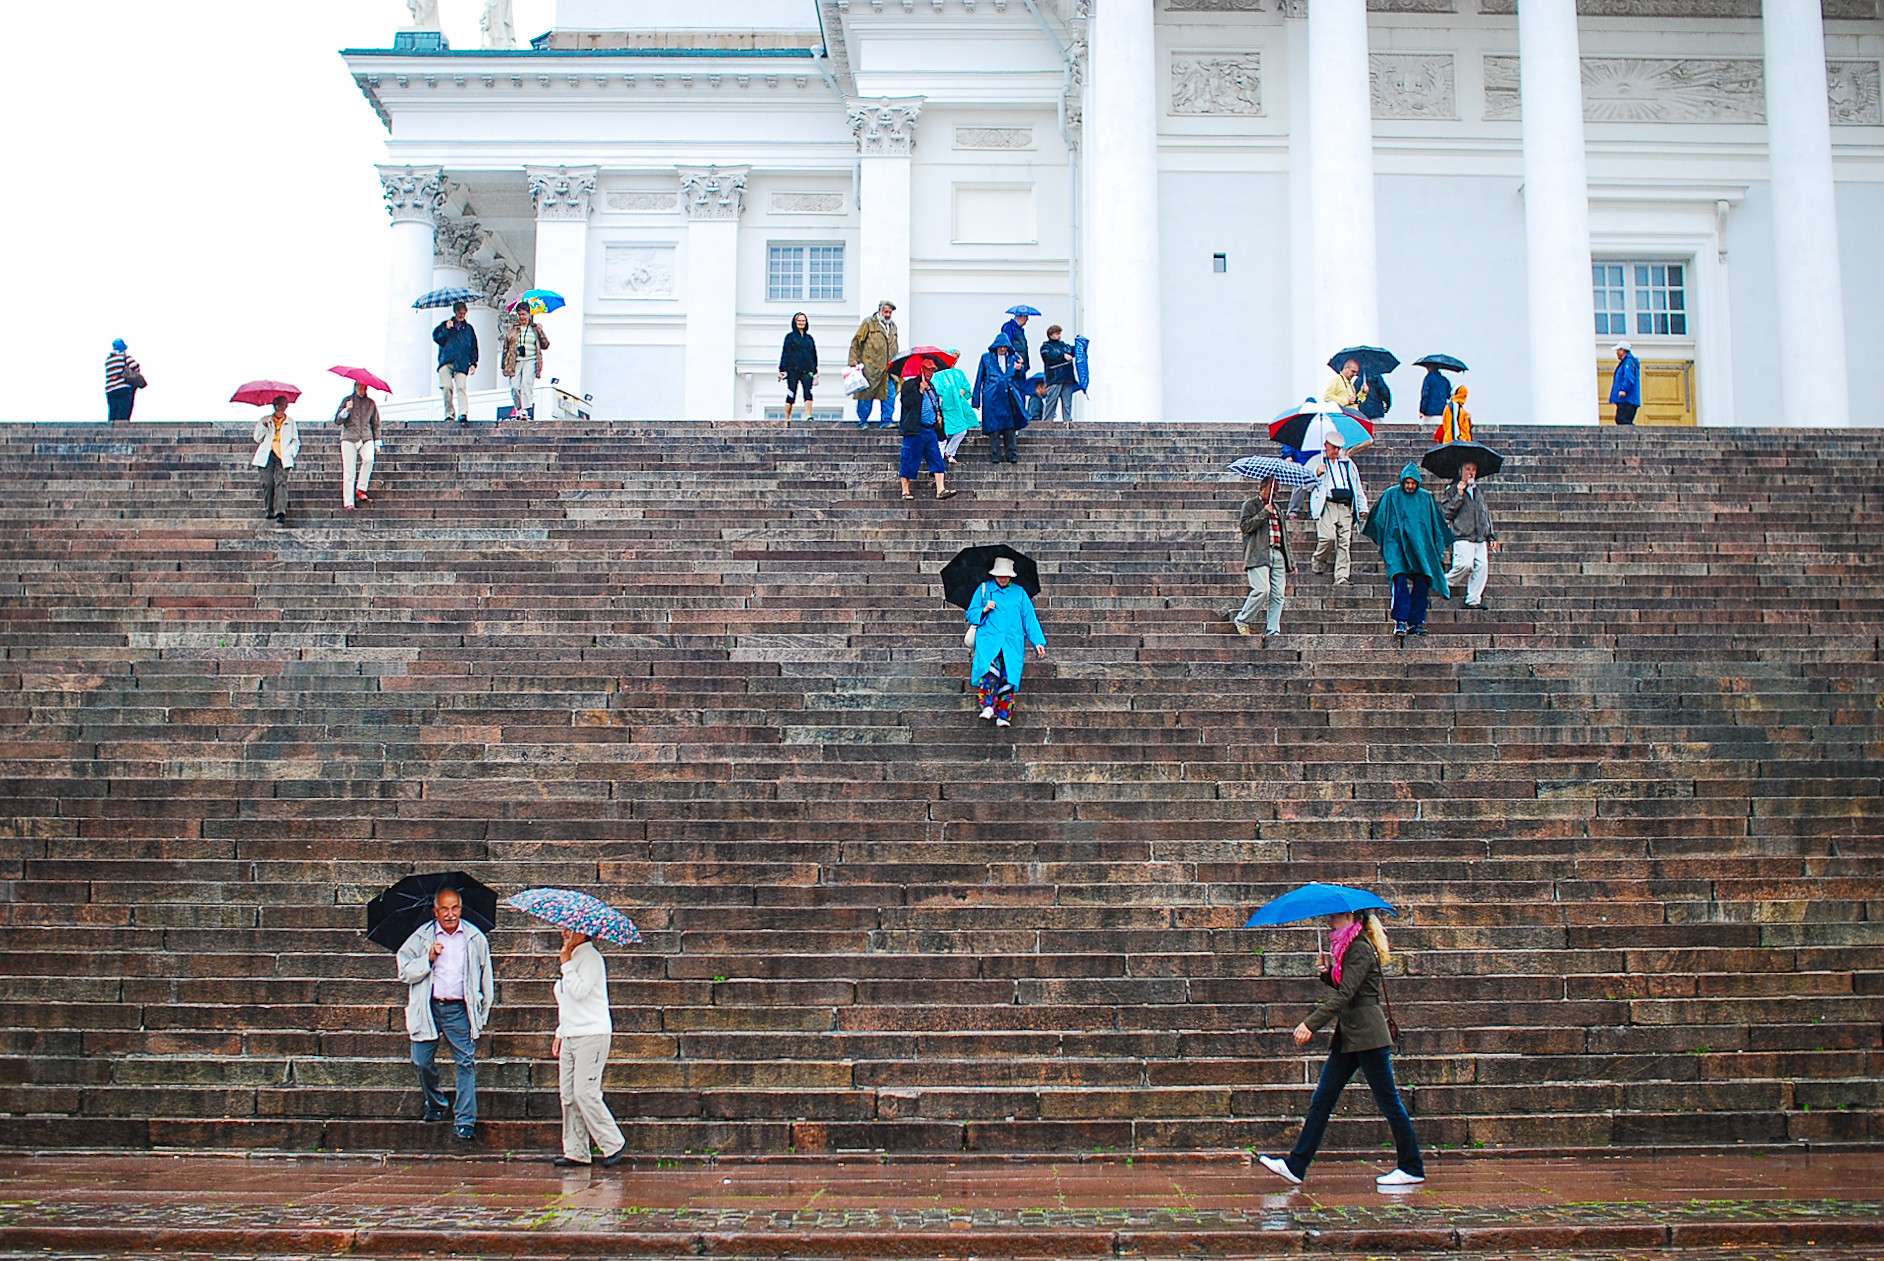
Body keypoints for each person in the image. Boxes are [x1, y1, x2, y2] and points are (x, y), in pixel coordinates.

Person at [1257, 909, 1425, 1190]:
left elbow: (1347, 994)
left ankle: (1411, 1167)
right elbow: (1347, 987)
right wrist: (1327, 973)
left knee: (1389, 1102)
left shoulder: (1359, 947)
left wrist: (1311, 1024)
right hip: (1350, 1036)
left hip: (1368, 1036)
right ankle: (1296, 1165)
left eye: (1334, 917)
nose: (1329, 921)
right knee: (1322, 1099)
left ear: (1351, 917)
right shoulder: (1348, 947)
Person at [396, 887, 494, 1142]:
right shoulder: (422, 936)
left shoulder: (474, 937)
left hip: (459, 1008)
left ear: (461, 909)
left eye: (455, 908)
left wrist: (482, 1013)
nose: (450, 914)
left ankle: (464, 1120)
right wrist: (427, 959)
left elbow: (486, 979)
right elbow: (404, 970)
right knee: (421, 1061)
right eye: (444, 909)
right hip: (428, 1007)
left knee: (465, 1063)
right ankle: (437, 1103)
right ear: (435, 911)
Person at [549, 926, 627, 1168]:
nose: (564, 934)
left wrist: (566, 964)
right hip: (571, 1034)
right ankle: (575, 1150)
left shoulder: (591, 958)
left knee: (585, 1092)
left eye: (570, 930)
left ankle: (613, 1142)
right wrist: (560, 1032)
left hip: (592, 1034)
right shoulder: (571, 959)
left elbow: (580, 991)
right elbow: (567, 1001)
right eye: (563, 929)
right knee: (568, 1096)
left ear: (583, 933)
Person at [1363, 462, 1455, 639]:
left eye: (1413, 483)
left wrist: (1433, 547)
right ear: (1402, 481)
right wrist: (1388, 539)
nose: (1410, 486)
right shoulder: (1391, 495)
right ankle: (1400, 620)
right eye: (1407, 482)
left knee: (1422, 583)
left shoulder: (1425, 498)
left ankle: (1416, 622)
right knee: (1399, 581)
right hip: (1396, 546)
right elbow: (1379, 518)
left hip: (1420, 547)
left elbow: (1435, 524)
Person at [965, 556, 1046, 729]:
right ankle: (987, 705)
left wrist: (1038, 641)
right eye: (999, 575)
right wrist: (984, 609)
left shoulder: (1019, 593)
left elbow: (1029, 618)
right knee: (989, 671)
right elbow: (970, 614)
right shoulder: (984, 589)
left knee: (1008, 677)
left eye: (1006, 575)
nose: (1002, 578)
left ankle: (1004, 714)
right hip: (989, 640)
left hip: (1012, 641)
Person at [1232, 476, 1291, 639]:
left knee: (1278, 594)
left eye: (1277, 490)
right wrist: (1264, 512)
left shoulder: (1277, 509)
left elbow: (1284, 535)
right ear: (1263, 488)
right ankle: (1242, 620)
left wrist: (1290, 561)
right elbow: (1245, 526)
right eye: (1273, 489)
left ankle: (1273, 630)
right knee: (1262, 590)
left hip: (1277, 553)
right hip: (1258, 553)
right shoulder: (1251, 505)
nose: (1275, 493)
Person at [1306, 437, 1368, 585]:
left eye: (1337, 448)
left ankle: (1341, 577)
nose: (1335, 451)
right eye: (1332, 448)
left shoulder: (1347, 463)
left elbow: (1357, 485)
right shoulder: (1317, 460)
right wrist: (1317, 473)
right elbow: (1304, 485)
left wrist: (1362, 506)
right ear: (1326, 445)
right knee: (1328, 537)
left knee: (1344, 542)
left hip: (1345, 505)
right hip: (1327, 504)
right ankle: (1318, 558)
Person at [897, 358, 957, 501]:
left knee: (937, 458)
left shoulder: (932, 387)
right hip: (915, 429)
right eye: (928, 369)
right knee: (909, 459)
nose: (931, 373)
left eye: (933, 370)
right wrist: (919, 391)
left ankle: (940, 489)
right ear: (921, 369)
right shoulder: (909, 385)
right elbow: (907, 403)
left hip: (930, 430)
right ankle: (905, 491)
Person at [1442, 460, 1497, 609]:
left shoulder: (1478, 491)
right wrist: (1459, 494)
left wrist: (1491, 535)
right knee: (1463, 565)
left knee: (1482, 566)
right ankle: (1443, 582)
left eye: (1473, 469)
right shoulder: (1452, 489)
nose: (1471, 472)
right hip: (1462, 534)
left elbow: (1485, 513)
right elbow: (1446, 512)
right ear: (1461, 471)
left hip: (1479, 536)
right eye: (1468, 469)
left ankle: (1473, 599)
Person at [973, 333, 1028, 464]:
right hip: (992, 396)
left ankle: (1011, 454)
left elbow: (1021, 376)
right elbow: (979, 377)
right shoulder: (986, 358)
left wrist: (1020, 369)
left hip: (1008, 396)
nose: (1003, 349)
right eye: (1001, 347)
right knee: (994, 427)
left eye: (1005, 347)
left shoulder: (1014, 358)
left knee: (1010, 426)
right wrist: (976, 400)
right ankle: (995, 455)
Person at [849, 300, 900, 428]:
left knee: (890, 394)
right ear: (880, 311)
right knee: (866, 395)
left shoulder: (892, 326)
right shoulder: (869, 323)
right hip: (870, 367)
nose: (888, 315)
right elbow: (856, 342)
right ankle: (863, 421)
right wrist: (853, 362)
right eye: (886, 312)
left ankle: (886, 420)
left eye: (890, 312)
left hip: (888, 368)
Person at [250, 395, 299, 527]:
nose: (280, 409)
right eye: (278, 406)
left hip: (283, 455)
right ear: (274, 406)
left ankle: (280, 512)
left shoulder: (290, 422)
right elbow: (257, 438)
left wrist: (291, 451)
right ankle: (269, 509)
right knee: (268, 483)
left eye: (282, 406)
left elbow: (295, 440)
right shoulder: (265, 420)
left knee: (281, 483)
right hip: (267, 454)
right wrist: (264, 427)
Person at [333, 380, 381, 510]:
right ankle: (349, 502)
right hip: (349, 437)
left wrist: (377, 442)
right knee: (349, 471)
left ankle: (361, 488)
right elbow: (337, 420)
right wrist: (347, 410)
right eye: (360, 386)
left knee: (369, 459)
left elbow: (375, 423)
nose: (362, 389)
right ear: (355, 387)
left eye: (364, 387)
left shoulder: (371, 403)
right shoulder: (347, 400)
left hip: (366, 436)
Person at [433, 301, 479, 425]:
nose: (462, 315)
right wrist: (446, 329)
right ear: (455, 312)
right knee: (446, 387)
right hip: (446, 361)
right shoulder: (445, 325)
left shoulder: (468, 329)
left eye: (464, 313)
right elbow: (437, 338)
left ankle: (463, 413)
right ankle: (449, 413)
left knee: (461, 387)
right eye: (460, 313)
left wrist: (473, 363)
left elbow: (474, 346)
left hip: (462, 362)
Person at [503, 306, 549, 422]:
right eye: (519, 315)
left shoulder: (534, 329)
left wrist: (541, 331)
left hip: (531, 359)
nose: (522, 317)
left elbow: (545, 345)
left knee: (526, 384)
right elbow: (506, 347)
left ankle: (525, 410)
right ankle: (518, 407)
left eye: (524, 314)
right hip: (516, 361)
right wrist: (504, 364)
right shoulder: (513, 329)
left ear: (529, 314)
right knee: (515, 386)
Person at [933, 349, 978, 463]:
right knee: (944, 432)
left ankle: (949, 452)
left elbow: (967, 389)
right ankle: (939, 457)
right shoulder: (939, 374)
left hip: (957, 408)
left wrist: (962, 392)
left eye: (956, 357)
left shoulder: (959, 373)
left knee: (962, 430)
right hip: (945, 408)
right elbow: (936, 389)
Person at [778, 312, 818, 422]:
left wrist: (815, 370)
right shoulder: (790, 337)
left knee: (808, 392)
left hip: (806, 370)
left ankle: (809, 415)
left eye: (803, 321)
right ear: (795, 322)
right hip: (792, 370)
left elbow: (813, 355)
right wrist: (782, 370)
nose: (801, 323)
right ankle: (787, 417)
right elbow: (785, 353)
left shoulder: (809, 338)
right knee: (791, 393)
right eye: (799, 321)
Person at [1038, 325, 1076, 422]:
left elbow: (1074, 350)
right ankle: (1047, 422)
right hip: (1055, 378)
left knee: (1067, 403)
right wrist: (1062, 356)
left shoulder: (1064, 346)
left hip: (1066, 378)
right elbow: (1048, 357)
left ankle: (1067, 421)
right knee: (1051, 402)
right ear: (1051, 335)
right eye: (1057, 333)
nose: (1059, 335)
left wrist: (1080, 344)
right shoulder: (1046, 347)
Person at [104, 339, 145, 422]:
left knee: (113, 412)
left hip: (110, 390)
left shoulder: (108, 360)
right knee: (123, 412)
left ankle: (111, 430)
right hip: (123, 389)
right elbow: (135, 366)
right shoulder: (125, 357)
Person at [1609, 340, 1641, 425]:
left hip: (1627, 399)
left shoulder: (1628, 362)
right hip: (1626, 399)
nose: (1617, 353)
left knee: (1623, 419)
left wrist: (1624, 389)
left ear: (1623, 350)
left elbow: (1629, 377)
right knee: (1621, 419)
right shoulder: (1627, 362)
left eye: (1618, 350)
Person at [1417, 365, 1452, 432]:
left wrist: (1422, 410)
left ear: (1428, 367)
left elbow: (1425, 395)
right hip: (1442, 411)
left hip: (1429, 412)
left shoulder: (1428, 378)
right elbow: (1448, 395)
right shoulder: (1445, 380)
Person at [1000, 310, 1031, 376]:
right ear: (1020, 316)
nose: (1027, 319)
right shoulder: (1009, 327)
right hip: (1013, 365)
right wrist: (1016, 356)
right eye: (1026, 316)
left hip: (1021, 365)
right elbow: (1007, 344)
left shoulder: (1020, 330)